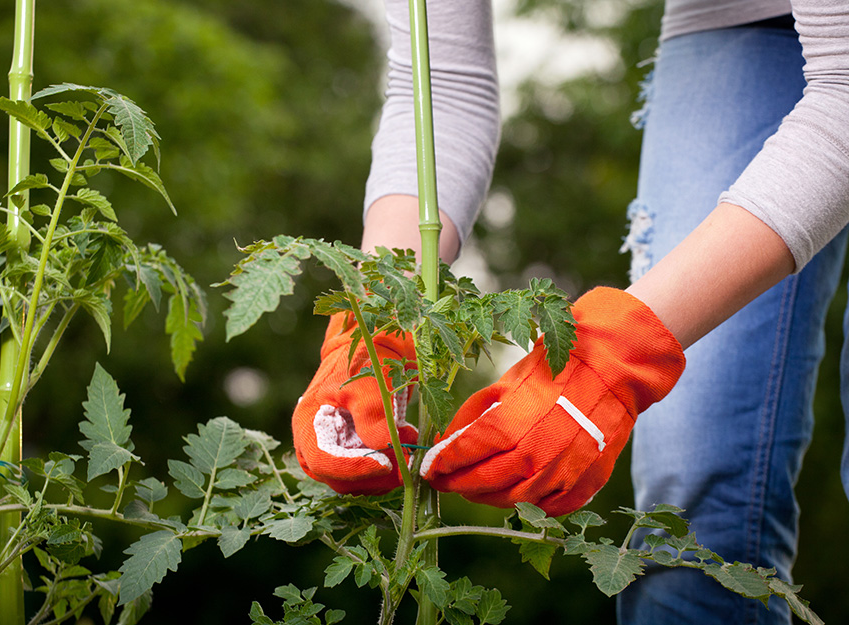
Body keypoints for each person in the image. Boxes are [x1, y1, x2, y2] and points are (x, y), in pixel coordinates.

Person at [292, 1, 849, 623]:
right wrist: (374, 317)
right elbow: (438, 85)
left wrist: (615, 356)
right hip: (731, 18)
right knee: (693, 505)